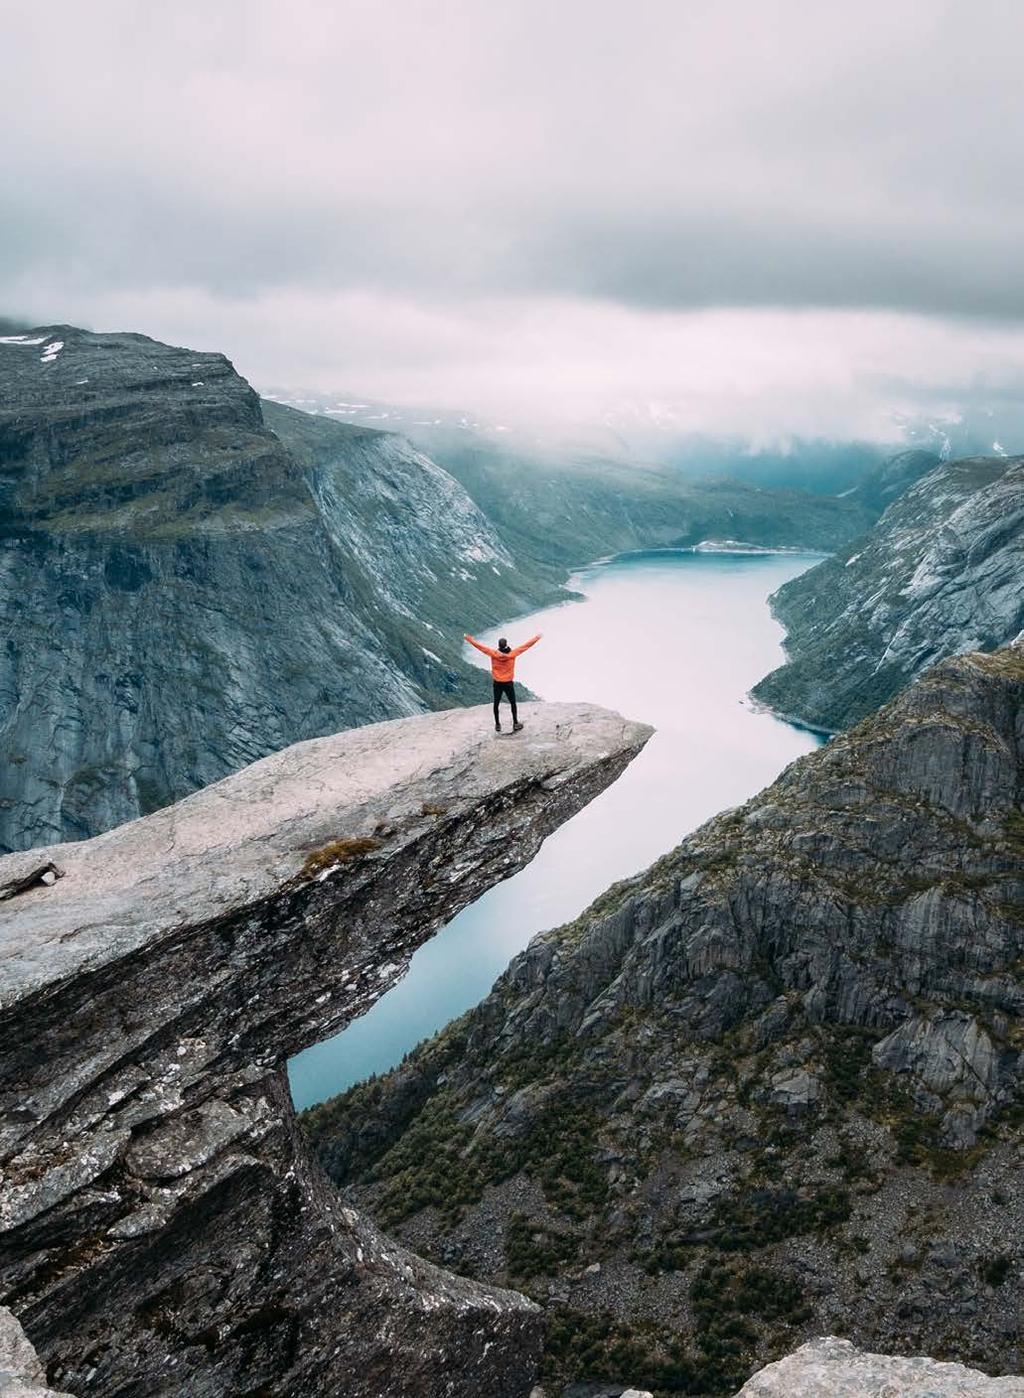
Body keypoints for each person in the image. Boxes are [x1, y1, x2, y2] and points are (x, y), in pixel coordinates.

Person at [463, 631, 542, 732]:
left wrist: (468, 638)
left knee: (496, 703)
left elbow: (480, 647)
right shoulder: (513, 654)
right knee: (513, 703)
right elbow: (526, 646)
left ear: (498, 646)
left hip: (497, 683)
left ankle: (497, 724)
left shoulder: (493, 653)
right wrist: (537, 637)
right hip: (508, 683)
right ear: (507, 645)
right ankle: (515, 723)